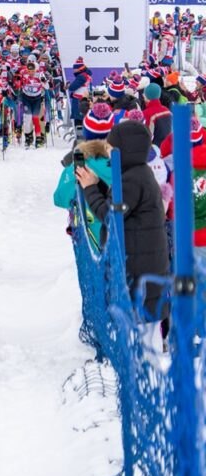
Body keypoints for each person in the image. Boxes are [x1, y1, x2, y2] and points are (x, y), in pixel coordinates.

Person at [76, 120, 170, 333]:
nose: (107, 151)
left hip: (138, 272)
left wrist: (90, 189)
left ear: (123, 150)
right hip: (142, 267)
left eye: (110, 147)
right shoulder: (136, 174)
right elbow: (119, 204)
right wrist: (98, 184)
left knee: (141, 340)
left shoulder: (132, 179)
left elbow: (111, 216)